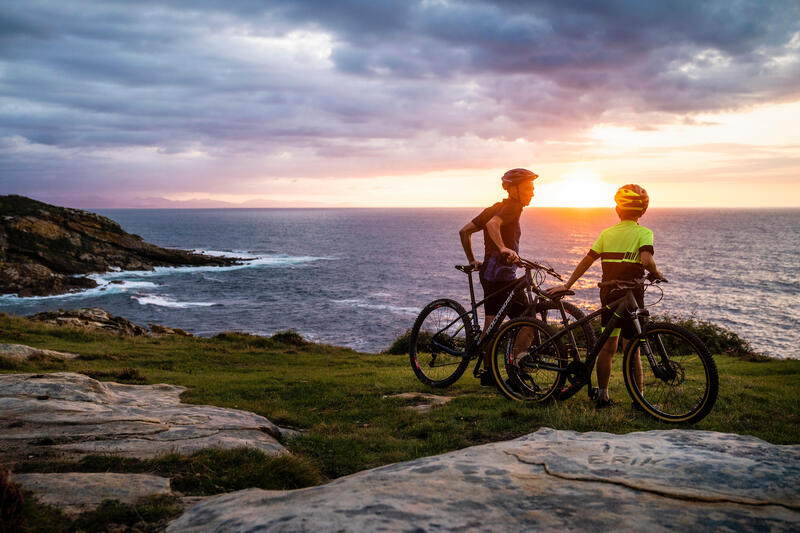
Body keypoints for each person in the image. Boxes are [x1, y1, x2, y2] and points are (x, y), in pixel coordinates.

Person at [548, 184, 664, 408]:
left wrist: (567, 284)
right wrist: (658, 274)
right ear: (643, 211)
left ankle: (602, 395)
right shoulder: (644, 232)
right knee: (632, 349)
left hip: (609, 296)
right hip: (632, 297)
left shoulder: (607, 233)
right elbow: (647, 260)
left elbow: (587, 260)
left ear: (617, 210)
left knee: (607, 347)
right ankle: (639, 399)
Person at [459, 168, 538, 387]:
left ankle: (488, 374)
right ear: (515, 189)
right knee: (529, 321)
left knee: (492, 322)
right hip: (501, 274)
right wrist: (503, 248)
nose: (532, 192)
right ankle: (516, 373)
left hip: (490, 273)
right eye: (529, 188)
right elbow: (494, 225)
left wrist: (473, 260)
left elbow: (464, 231)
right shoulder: (513, 206)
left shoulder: (497, 206)